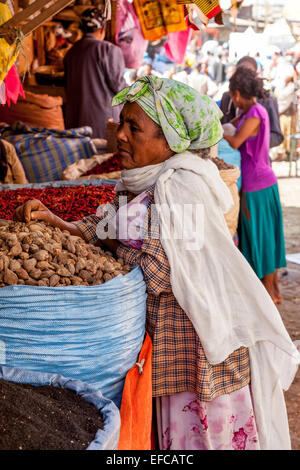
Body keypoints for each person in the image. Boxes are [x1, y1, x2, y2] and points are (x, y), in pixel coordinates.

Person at [14, 76, 299, 450]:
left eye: (136, 128)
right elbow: (108, 225)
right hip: (167, 352)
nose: (121, 135)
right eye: (123, 123)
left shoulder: (183, 189)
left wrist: (103, 263)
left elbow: (161, 272)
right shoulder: (142, 183)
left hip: (197, 359)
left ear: (169, 142)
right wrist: (58, 224)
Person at [223, 67, 286, 304]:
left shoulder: (256, 113)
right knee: (265, 236)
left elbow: (237, 141)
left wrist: (220, 133)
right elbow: (235, 123)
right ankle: (272, 292)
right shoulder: (251, 111)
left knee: (261, 238)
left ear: (237, 94)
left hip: (257, 186)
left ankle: (268, 295)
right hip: (261, 182)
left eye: (233, 97)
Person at [63, 6, 126, 138]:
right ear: (103, 29)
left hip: (75, 124)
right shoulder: (108, 50)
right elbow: (119, 88)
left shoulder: (71, 52)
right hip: (102, 124)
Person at [220, 56, 284, 150]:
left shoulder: (266, 101)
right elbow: (224, 126)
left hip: (254, 158)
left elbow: (277, 136)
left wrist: (250, 139)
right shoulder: (228, 97)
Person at [275, 65, 297, 160]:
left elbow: (281, 96)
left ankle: (289, 153)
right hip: (283, 113)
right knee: (283, 132)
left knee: (289, 133)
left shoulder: (292, 86)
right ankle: (281, 153)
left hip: (288, 113)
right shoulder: (285, 85)